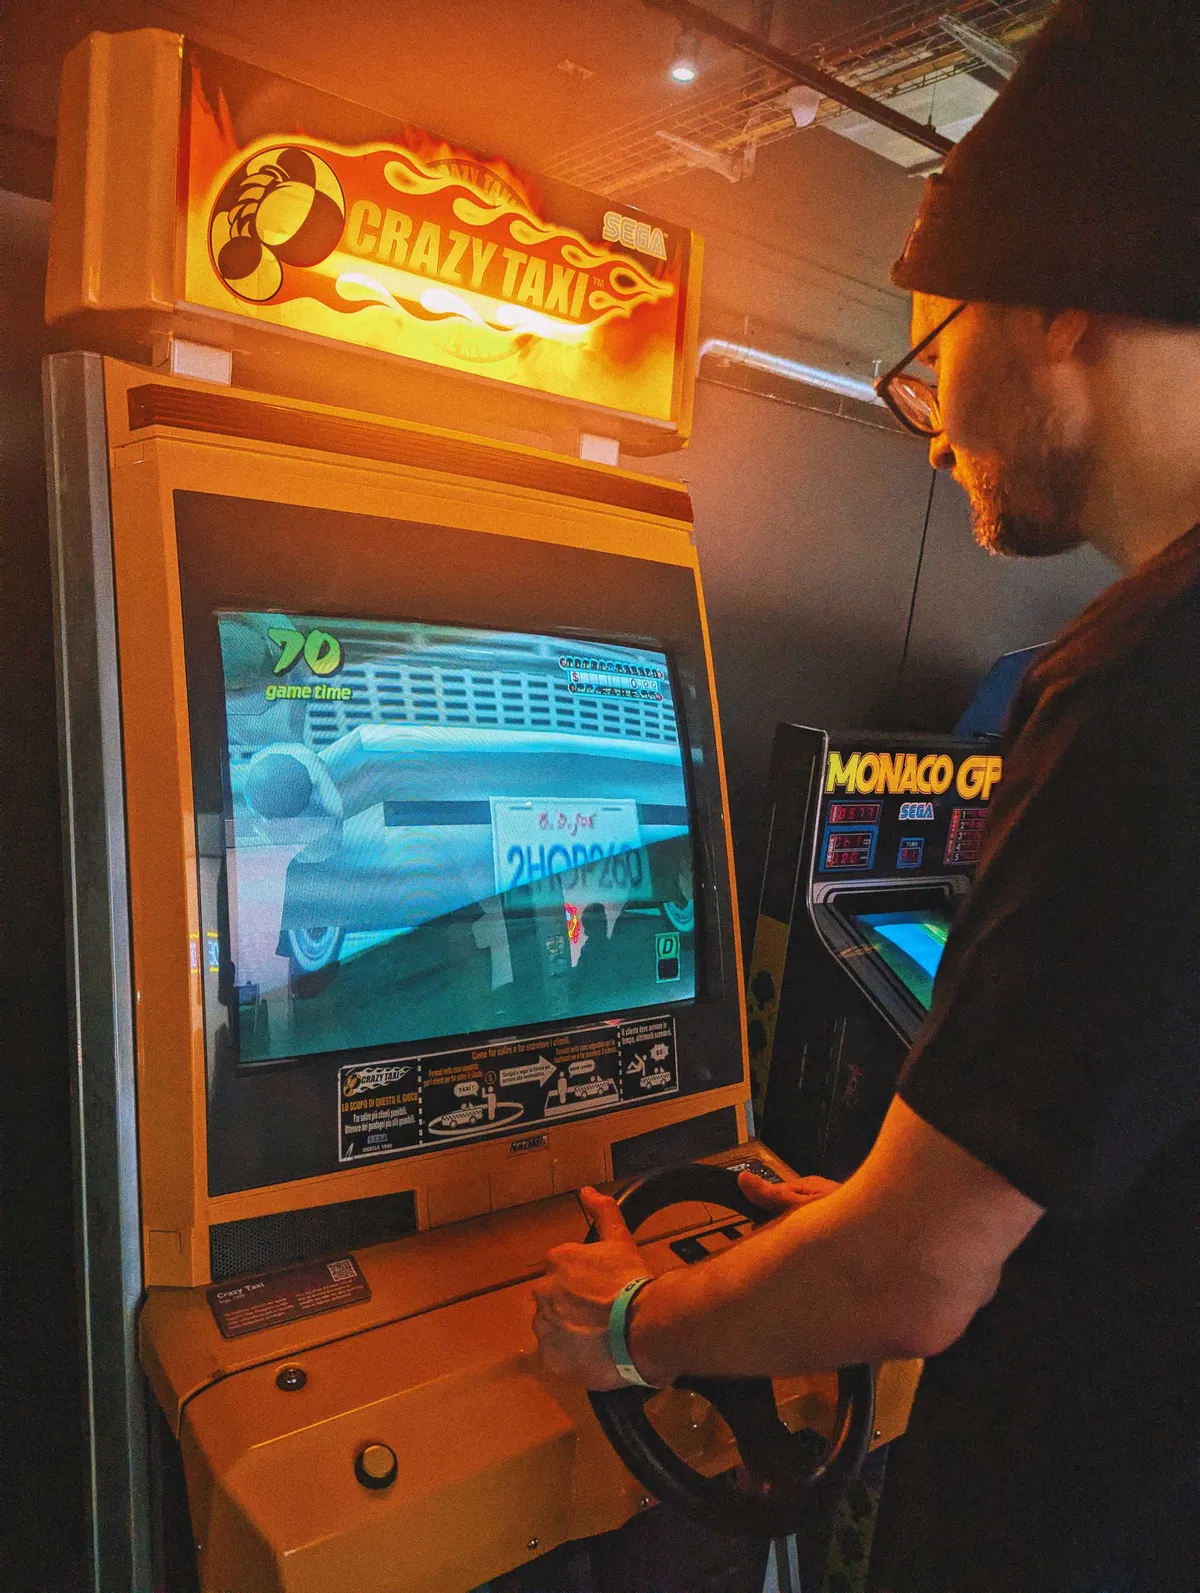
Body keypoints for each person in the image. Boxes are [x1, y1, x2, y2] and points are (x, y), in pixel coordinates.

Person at [532, 2, 1200, 1588]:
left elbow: (914, 1284)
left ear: (1054, 305)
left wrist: (625, 1325)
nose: (928, 428)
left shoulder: (1141, 684)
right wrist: (886, 1200)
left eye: (931, 346)